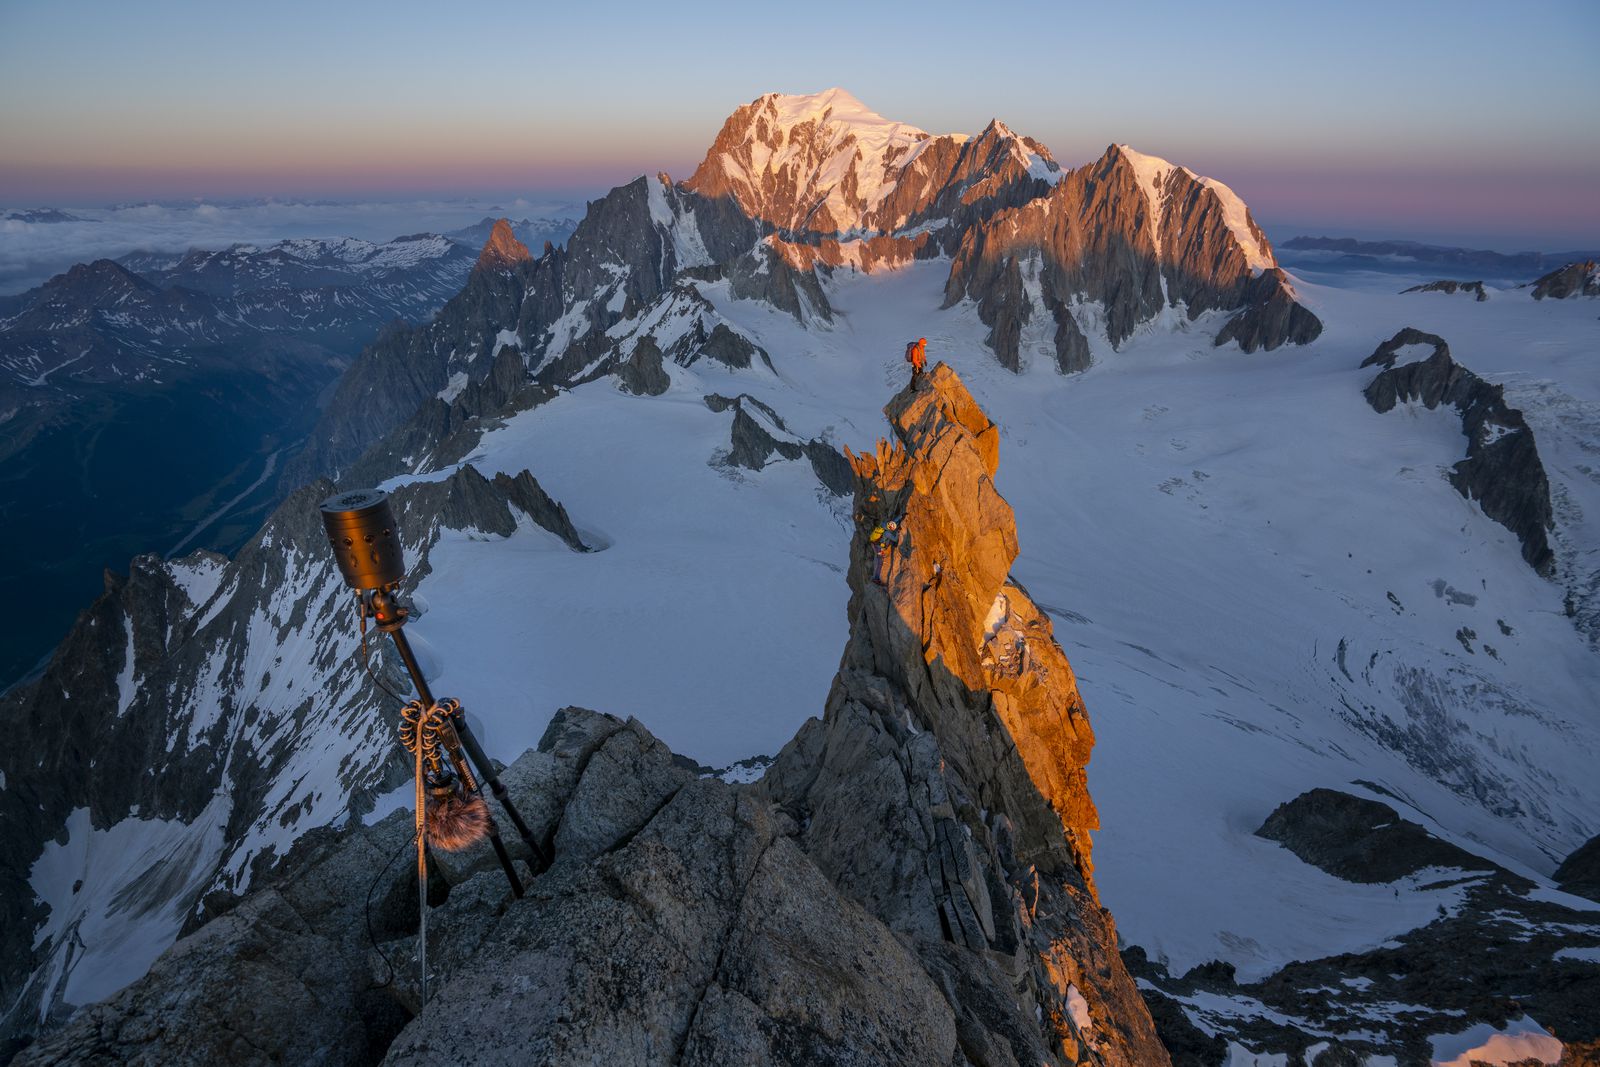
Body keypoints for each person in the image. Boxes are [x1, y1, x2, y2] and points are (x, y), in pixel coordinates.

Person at [871, 520, 900, 586]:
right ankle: (876, 578)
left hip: (875, 544)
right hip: (878, 548)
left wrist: (901, 516)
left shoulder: (884, 524)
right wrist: (898, 532)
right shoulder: (887, 533)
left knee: (879, 561)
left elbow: (894, 521)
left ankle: (876, 578)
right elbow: (895, 539)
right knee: (880, 562)